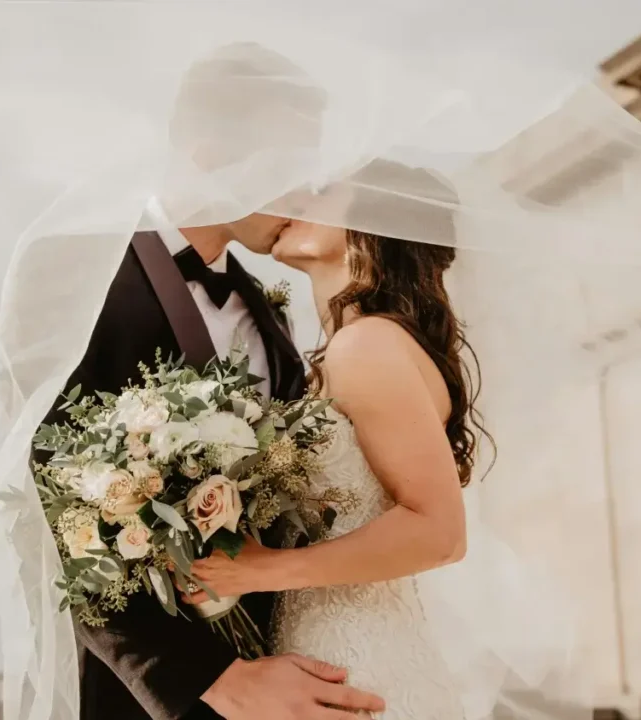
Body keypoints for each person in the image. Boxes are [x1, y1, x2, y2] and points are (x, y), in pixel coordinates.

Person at [41, 43, 386, 720]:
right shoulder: (74, 273)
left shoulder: (268, 315)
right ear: (206, 152)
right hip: (148, 699)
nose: (302, 192)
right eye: (286, 166)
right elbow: (41, 507)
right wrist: (208, 680)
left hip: (288, 672)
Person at [186, 166, 492, 719]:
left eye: (323, 191)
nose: (296, 195)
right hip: (323, 648)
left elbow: (440, 532)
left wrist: (261, 570)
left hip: (356, 658)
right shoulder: (347, 349)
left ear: (377, 222)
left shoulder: (367, 346)